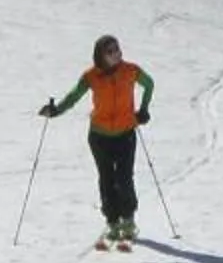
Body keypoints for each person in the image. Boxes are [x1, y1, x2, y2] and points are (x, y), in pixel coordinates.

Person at [41, 33, 154, 250]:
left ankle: (128, 221)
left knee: (124, 177)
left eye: (117, 49)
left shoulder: (130, 70)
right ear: (100, 55)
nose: (116, 54)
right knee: (106, 178)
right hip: (99, 136)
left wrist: (144, 110)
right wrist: (55, 111)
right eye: (110, 51)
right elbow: (74, 96)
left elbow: (149, 84)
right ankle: (112, 223)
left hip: (125, 133)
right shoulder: (91, 76)